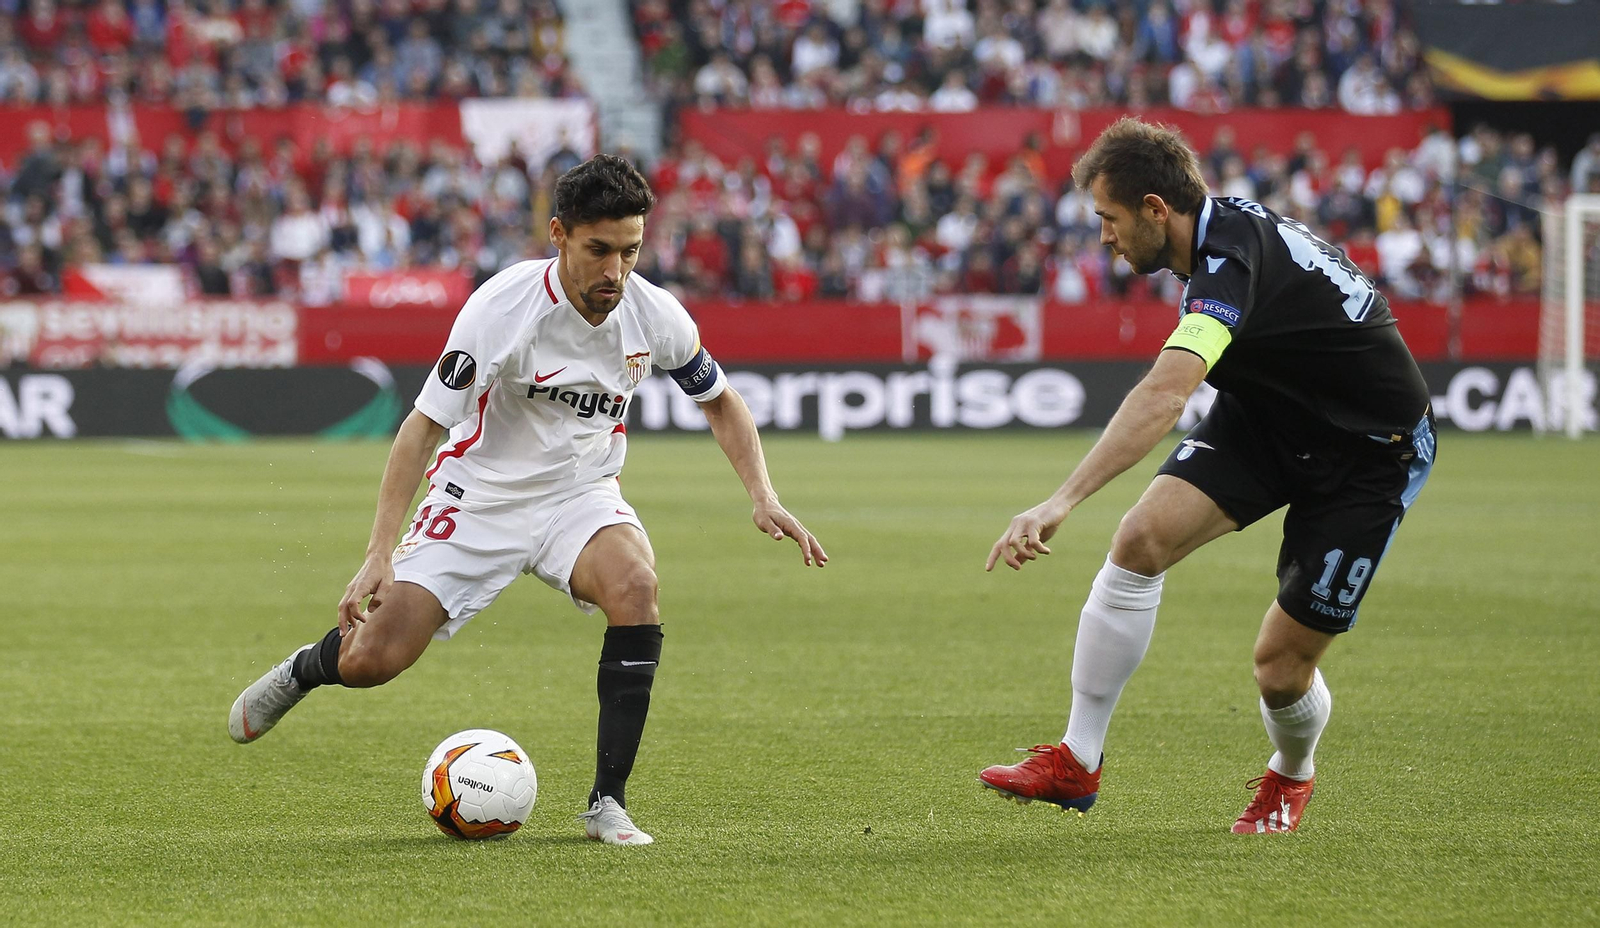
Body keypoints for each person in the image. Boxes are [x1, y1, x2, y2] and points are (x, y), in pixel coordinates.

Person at [229, 154, 828, 846]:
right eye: (599, 250)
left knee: (636, 586)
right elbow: (422, 427)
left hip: (580, 494)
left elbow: (720, 401)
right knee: (372, 662)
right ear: (559, 234)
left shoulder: (654, 312)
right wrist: (377, 553)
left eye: (630, 251)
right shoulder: (501, 309)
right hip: (479, 496)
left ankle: (608, 802)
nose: (615, 271)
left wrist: (762, 494)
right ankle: (304, 669)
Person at [977, 118, 1435, 834]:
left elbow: (1166, 395)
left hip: (1371, 454)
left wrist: (1060, 501)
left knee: (1280, 669)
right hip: (1270, 420)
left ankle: (1292, 773)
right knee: (1140, 540)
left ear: (1156, 209)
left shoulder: (1227, 264)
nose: (1105, 237)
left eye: (1109, 218)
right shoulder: (1220, 235)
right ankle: (1077, 759)